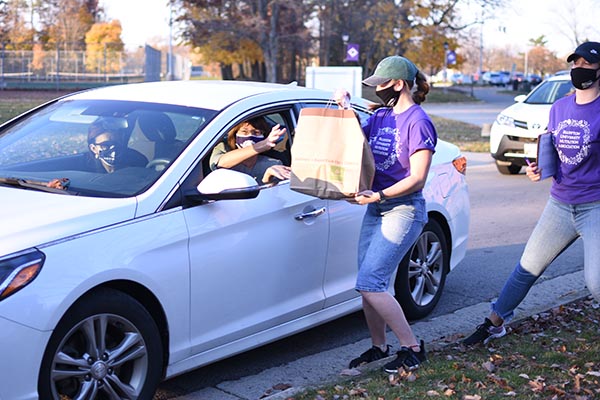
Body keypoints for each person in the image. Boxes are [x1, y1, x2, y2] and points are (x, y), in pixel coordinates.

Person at [463, 41, 600, 346]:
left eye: (586, 64)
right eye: (574, 63)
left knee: (596, 283)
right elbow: (555, 151)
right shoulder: (560, 107)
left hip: (595, 206)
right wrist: (538, 169)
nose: (578, 69)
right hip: (560, 204)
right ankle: (494, 323)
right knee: (527, 267)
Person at [336, 55, 437, 373]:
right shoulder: (381, 116)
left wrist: (379, 194)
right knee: (369, 284)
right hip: (376, 208)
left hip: (403, 210)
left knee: (370, 282)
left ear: (398, 84)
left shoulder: (418, 122)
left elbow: (417, 178)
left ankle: (413, 348)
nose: (376, 89)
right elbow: (357, 143)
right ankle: (379, 347)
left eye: (381, 83)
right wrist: (346, 109)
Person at [209, 116, 291, 183]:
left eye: (257, 132)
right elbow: (220, 163)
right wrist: (262, 145)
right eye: (244, 132)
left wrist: (268, 176)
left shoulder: (274, 164)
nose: (250, 137)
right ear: (234, 135)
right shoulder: (222, 149)